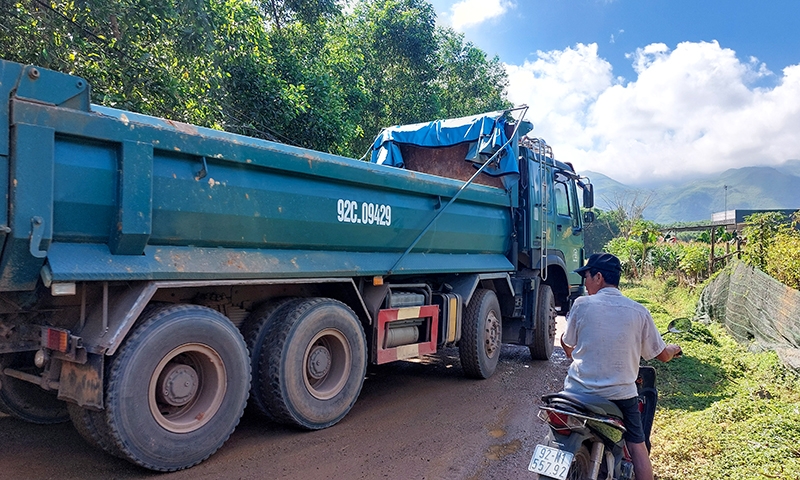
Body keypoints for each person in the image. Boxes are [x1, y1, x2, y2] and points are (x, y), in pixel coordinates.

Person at [560, 253, 682, 480]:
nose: (585, 282)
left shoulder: (581, 304)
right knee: (637, 445)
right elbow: (662, 355)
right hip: (620, 396)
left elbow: (567, 344)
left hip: (576, 393)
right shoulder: (638, 311)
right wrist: (674, 349)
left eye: (586, 276)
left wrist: (576, 354)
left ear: (598, 277)